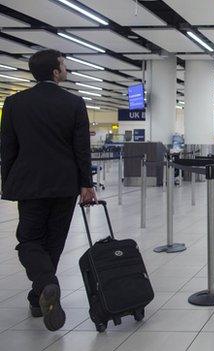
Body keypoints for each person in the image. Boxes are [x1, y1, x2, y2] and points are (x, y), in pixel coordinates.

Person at [0, 49, 97, 331]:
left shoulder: (14, 103)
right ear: (55, 72)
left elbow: (8, 147)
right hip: (64, 184)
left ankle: (43, 287)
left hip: (29, 184)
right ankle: (38, 294)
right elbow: (82, 149)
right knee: (54, 240)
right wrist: (86, 184)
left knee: (29, 241)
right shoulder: (74, 103)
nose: (66, 69)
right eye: (64, 65)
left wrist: (8, 183)